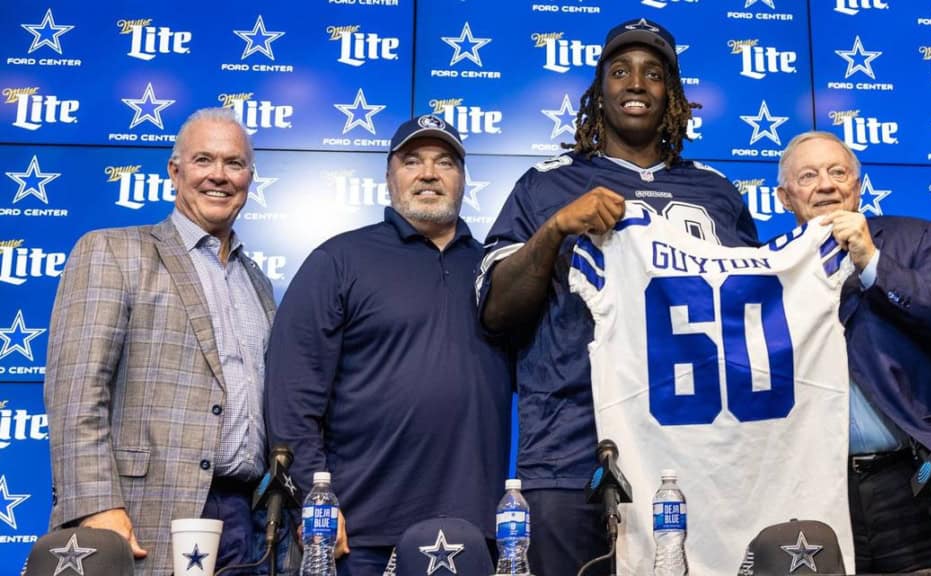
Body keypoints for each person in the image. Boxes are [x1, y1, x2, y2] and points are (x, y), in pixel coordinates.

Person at [477, 18, 759, 574]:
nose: (636, 83)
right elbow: (496, 314)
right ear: (598, 89)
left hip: (692, 455)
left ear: (672, 97)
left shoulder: (717, 194)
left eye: (654, 74)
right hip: (568, 449)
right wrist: (555, 229)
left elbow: (752, 320)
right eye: (620, 70)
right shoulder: (545, 186)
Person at [264, 114, 512, 576]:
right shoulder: (337, 261)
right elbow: (291, 396)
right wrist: (319, 504)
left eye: (446, 162)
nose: (429, 173)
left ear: (463, 179)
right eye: (411, 160)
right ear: (388, 177)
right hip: (358, 534)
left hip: (477, 534)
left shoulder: (497, 271)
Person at [44, 107, 278, 573]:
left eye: (234, 163)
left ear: (251, 177)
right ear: (175, 171)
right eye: (203, 160)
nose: (219, 176)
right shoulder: (113, 251)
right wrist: (97, 505)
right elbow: (75, 392)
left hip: (241, 519)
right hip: (140, 513)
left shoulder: (259, 283)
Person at [774, 131, 931, 572]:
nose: (826, 185)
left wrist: (873, 263)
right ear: (785, 197)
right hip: (817, 490)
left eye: (839, 172)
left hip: (916, 484)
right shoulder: (766, 267)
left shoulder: (917, 240)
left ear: (858, 186)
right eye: (809, 175)